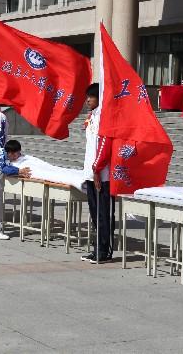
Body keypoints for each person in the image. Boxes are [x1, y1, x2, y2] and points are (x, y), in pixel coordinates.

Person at [82, 83, 113, 264]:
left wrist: (97, 170)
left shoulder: (103, 117)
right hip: (91, 172)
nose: (88, 100)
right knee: (94, 214)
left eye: (91, 97)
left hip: (101, 175)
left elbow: (103, 146)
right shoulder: (92, 116)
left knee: (102, 214)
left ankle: (104, 250)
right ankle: (97, 248)